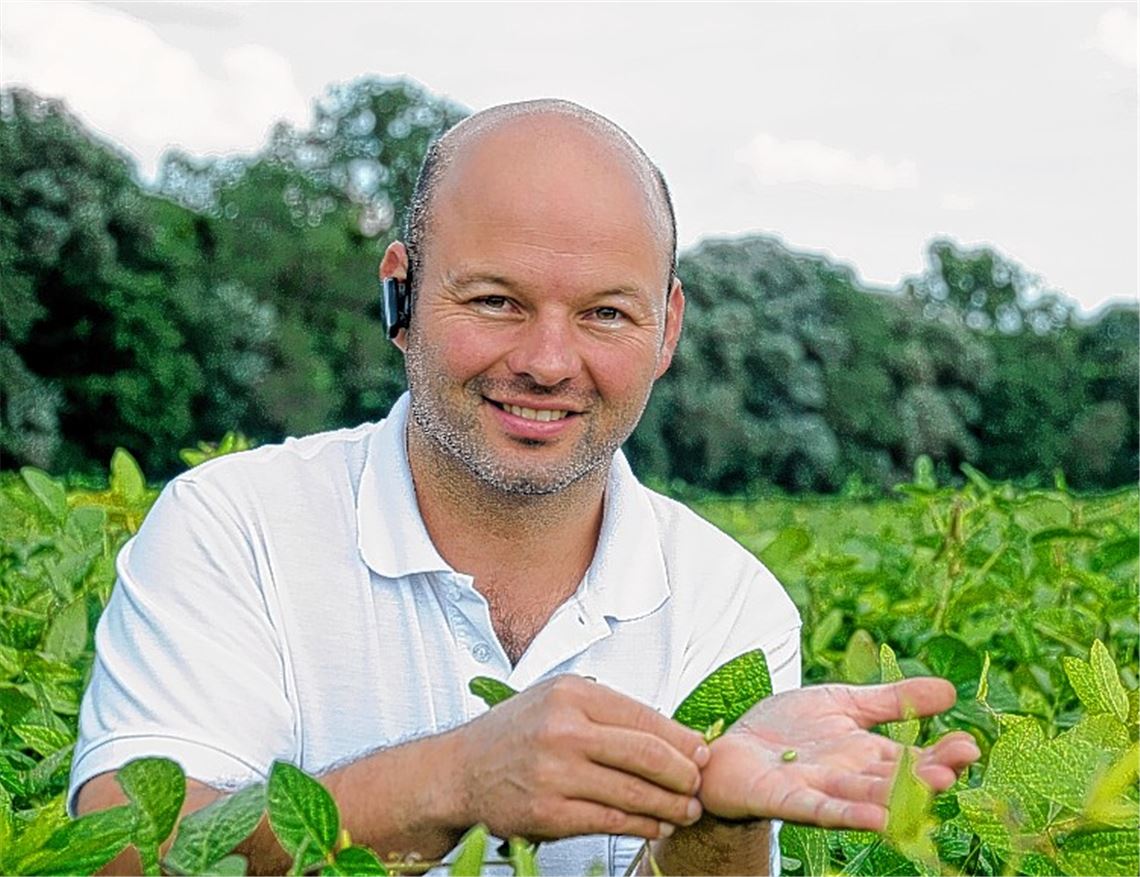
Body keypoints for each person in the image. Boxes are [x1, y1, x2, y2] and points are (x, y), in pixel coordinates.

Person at [71, 99, 979, 875]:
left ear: (666, 330)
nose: (549, 362)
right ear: (402, 295)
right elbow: (125, 846)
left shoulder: (728, 605)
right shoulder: (235, 527)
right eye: (496, 300)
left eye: (605, 314)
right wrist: (454, 779)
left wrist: (720, 817)